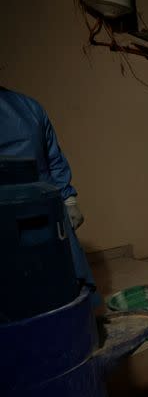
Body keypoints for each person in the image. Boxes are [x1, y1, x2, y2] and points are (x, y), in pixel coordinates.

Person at [0, 87, 94, 293]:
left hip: (41, 215)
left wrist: (69, 199)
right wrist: (68, 200)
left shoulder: (29, 108)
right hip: (44, 214)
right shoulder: (28, 107)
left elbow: (53, 158)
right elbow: (54, 160)